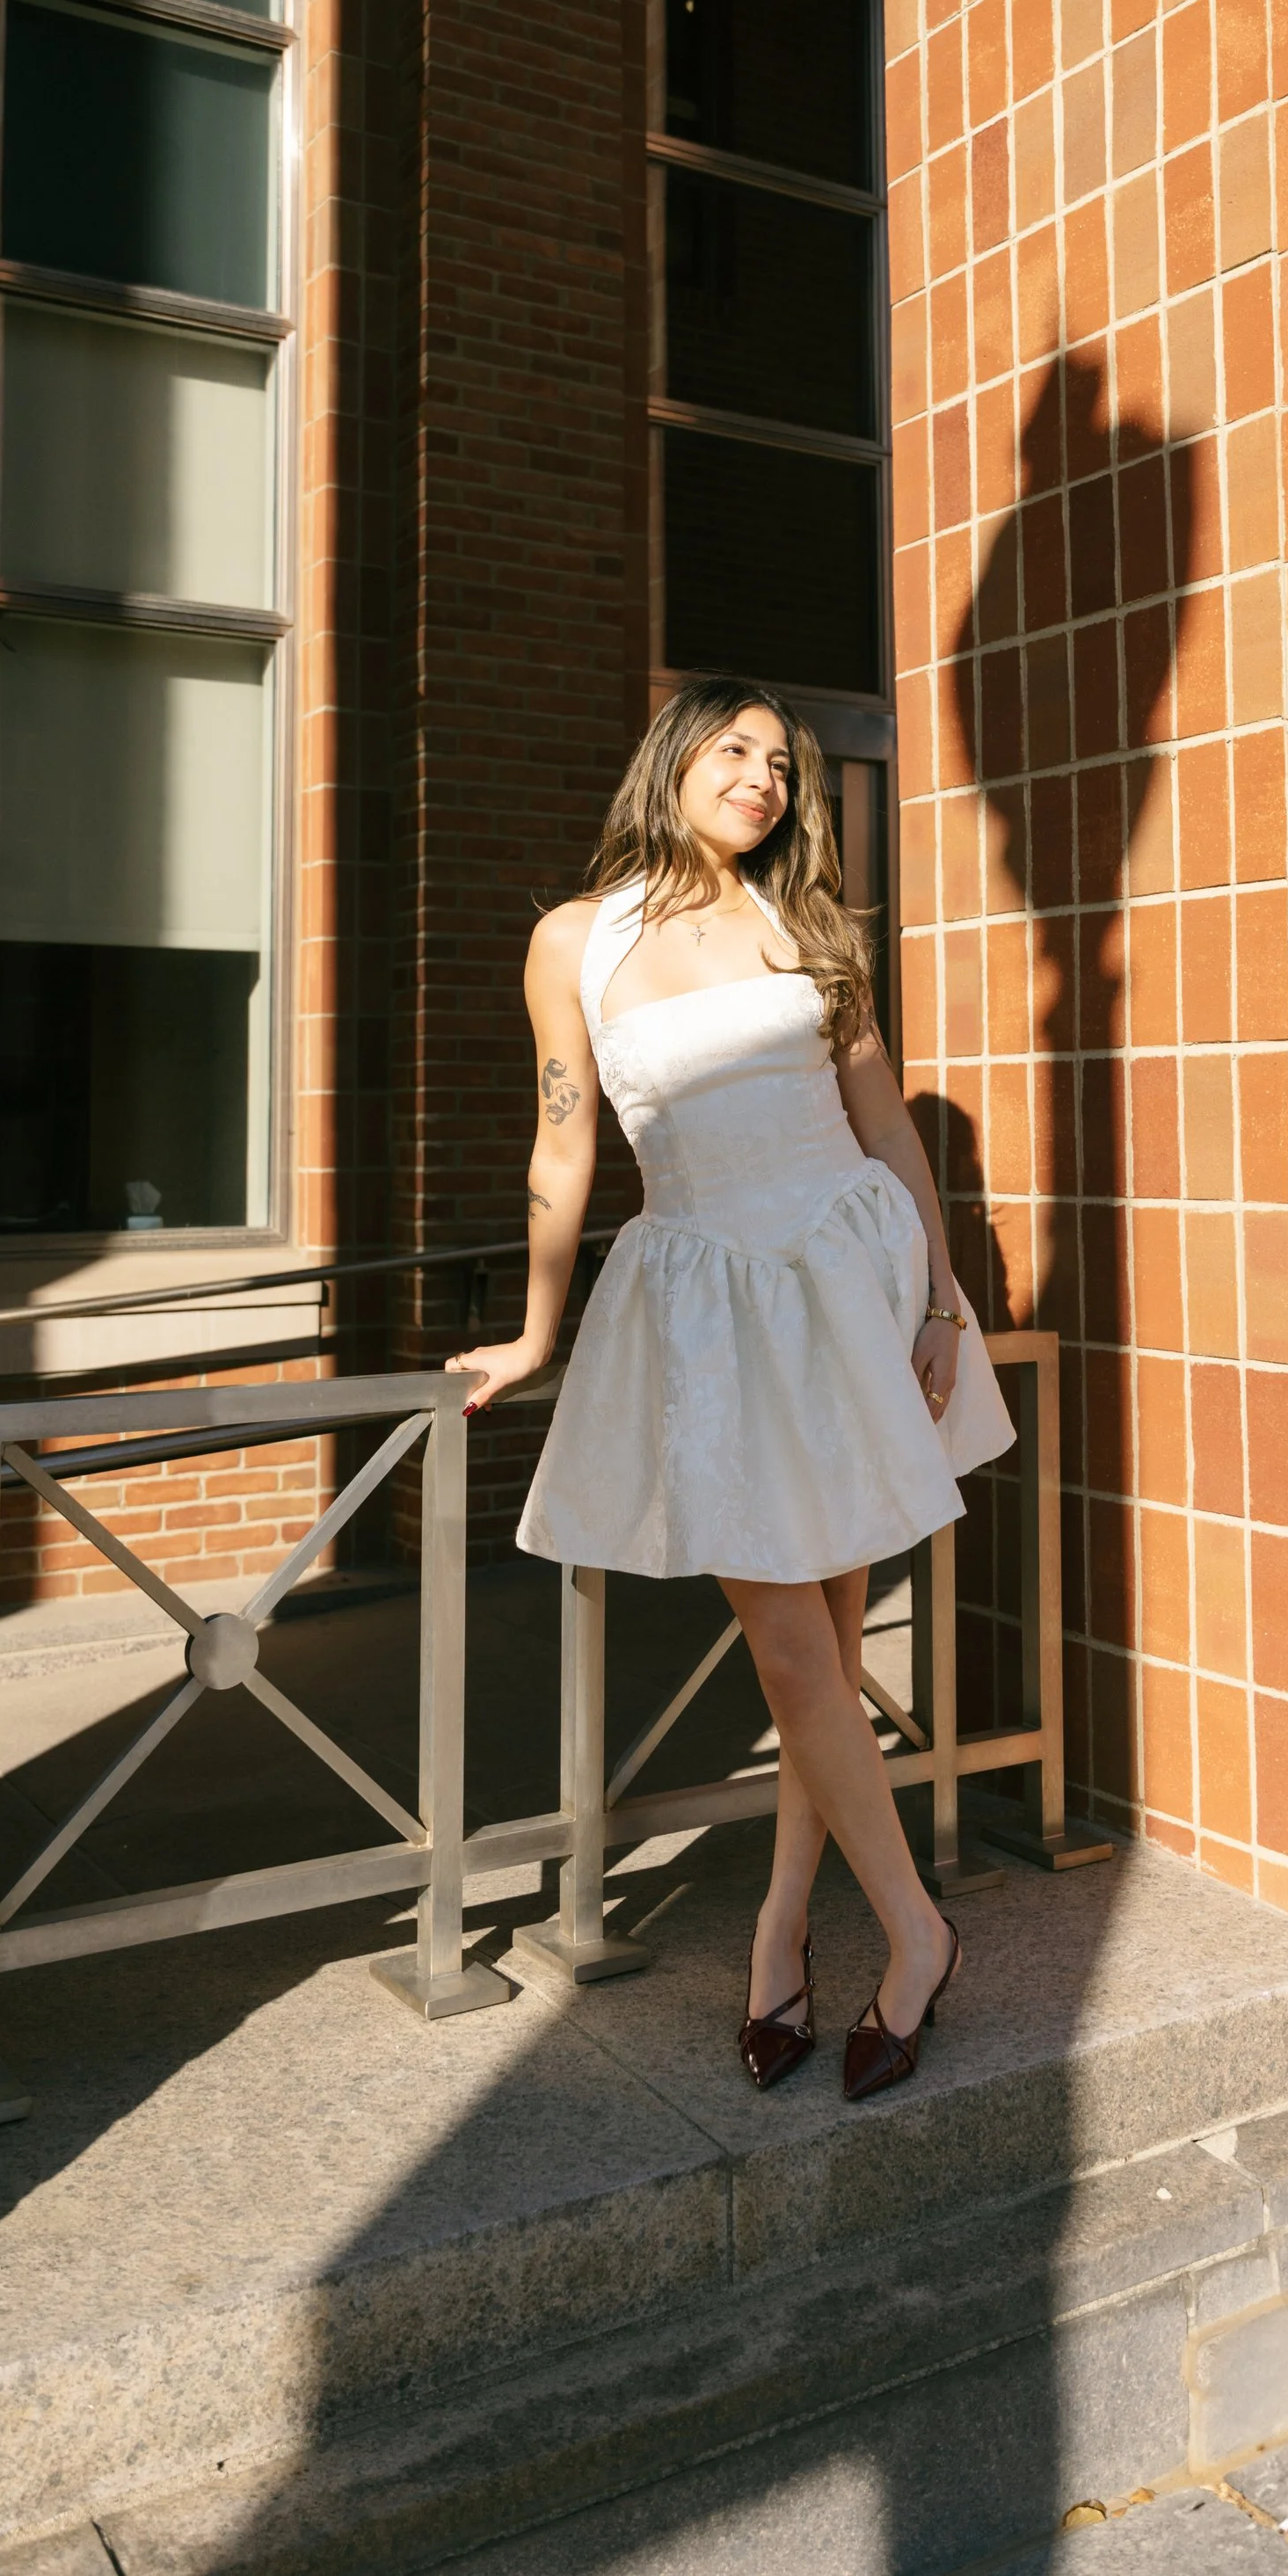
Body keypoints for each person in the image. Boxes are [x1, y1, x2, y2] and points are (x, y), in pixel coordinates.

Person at [448, 676, 1014, 2099]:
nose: (762, 775)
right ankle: (906, 1930)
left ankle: (792, 1940)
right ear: (674, 759)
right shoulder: (576, 940)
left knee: (814, 1641)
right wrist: (533, 1331)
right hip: (710, 1297)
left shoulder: (807, 932)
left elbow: (884, 1125)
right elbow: (564, 1145)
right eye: (736, 748)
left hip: (845, 1275)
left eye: (782, 761)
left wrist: (942, 1295)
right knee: (795, 1647)